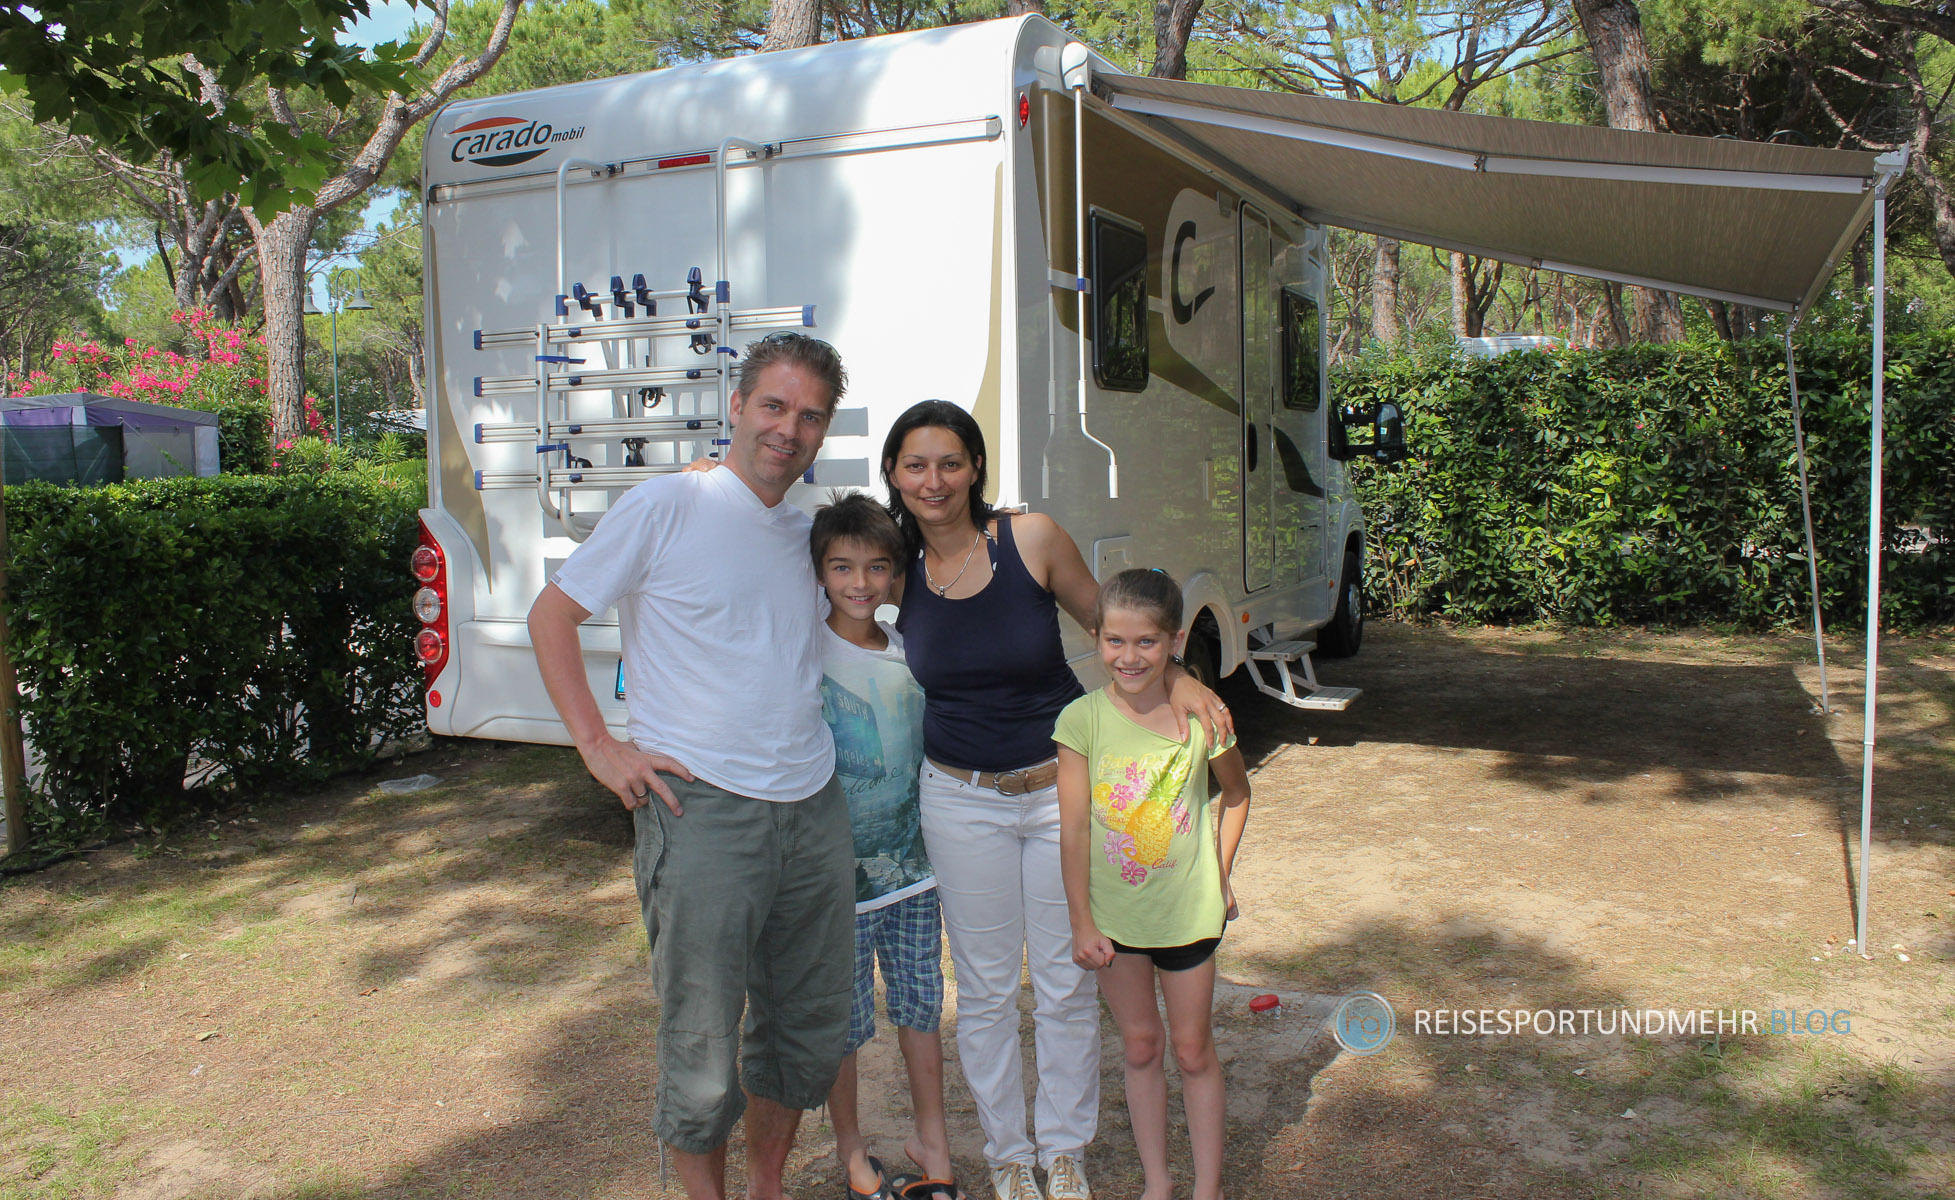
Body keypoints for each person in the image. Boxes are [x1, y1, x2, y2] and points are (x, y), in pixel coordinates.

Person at [526, 332, 853, 1200]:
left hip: (812, 805)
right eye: (774, 406)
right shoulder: (664, 505)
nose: (788, 428)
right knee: (703, 1045)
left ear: (822, 432)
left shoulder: (808, 533)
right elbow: (551, 617)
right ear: (738, 406)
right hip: (703, 810)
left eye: (809, 415)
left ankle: (766, 1188)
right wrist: (601, 746)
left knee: (806, 1032)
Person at [882, 401, 1231, 1200]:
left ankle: (1063, 1150)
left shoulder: (1028, 539)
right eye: (914, 465)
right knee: (986, 987)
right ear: (894, 477)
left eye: (949, 462)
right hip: (959, 799)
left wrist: (1183, 680)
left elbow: (1112, 623)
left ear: (975, 468)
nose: (932, 481)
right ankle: (1008, 1155)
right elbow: (816, 568)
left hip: (1059, 794)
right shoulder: (896, 567)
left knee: (1073, 976)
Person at [1054, 569, 1251, 1200]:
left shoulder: (1204, 715)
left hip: (1187, 915)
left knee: (1193, 1051)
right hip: (1115, 920)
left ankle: (1206, 1188)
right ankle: (1158, 1183)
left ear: (1176, 639)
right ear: (1095, 636)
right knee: (1141, 1045)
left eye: (1146, 642)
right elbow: (1076, 829)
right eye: (1115, 641)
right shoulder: (1079, 720)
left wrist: (1218, 877)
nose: (1129, 656)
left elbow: (1238, 794)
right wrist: (1082, 921)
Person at [809, 493, 959, 1200]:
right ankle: (850, 1149)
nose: (859, 583)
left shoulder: (908, 650)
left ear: (894, 572)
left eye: (875, 567)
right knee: (842, 1024)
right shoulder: (804, 649)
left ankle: (933, 1137)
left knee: (919, 1008)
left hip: (914, 877)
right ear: (819, 572)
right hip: (835, 885)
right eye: (841, 567)